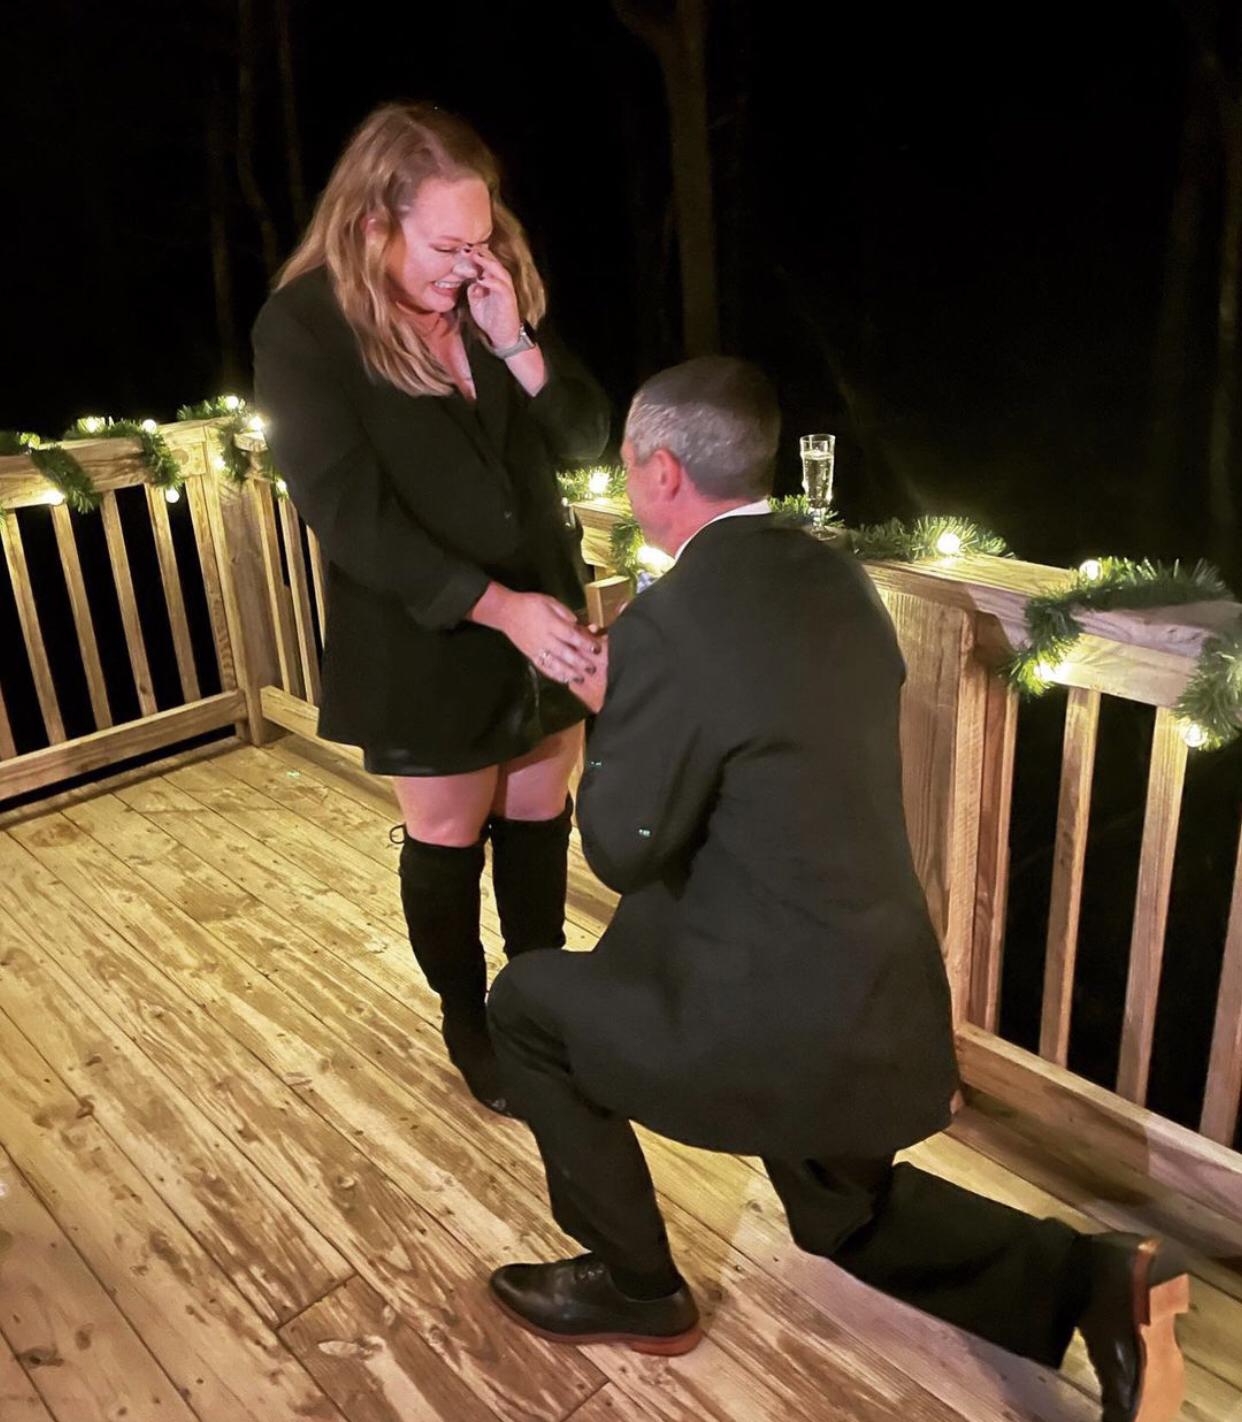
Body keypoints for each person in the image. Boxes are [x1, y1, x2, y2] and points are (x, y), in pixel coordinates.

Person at [485, 357, 1189, 1422]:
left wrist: (608, 704)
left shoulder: (667, 626)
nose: (627, 483)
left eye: (628, 465)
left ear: (663, 472)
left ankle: (636, 1285)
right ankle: (1098, 1279)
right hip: (879, 989)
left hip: (765, 1009)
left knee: (525, 1005)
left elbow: (620, 848)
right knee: (839, 1215)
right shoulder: (841, 580)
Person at [252, 103, 609, 1116]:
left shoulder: (494, 290)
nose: (468, 263)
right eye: (446, 246)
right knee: (449, 834)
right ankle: (469, 1020)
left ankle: (538, 1001)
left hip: (542, 611)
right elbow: (348, 515)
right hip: (429, 624)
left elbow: (584, 441)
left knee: (539, 810)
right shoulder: (305, 327)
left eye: (480, 240)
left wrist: (515, 340)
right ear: (374, 223)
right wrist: (499, 609)